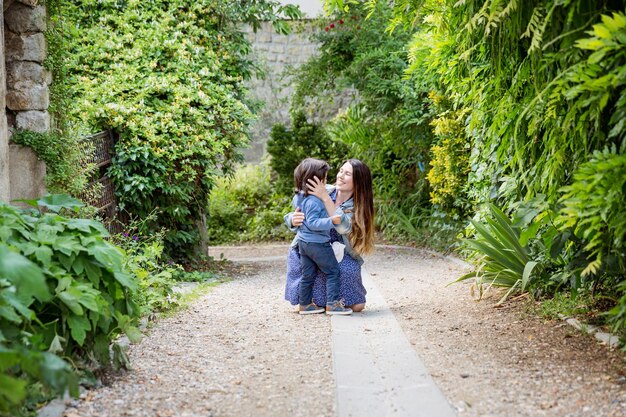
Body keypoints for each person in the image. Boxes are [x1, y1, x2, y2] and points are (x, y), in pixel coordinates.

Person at [285, 158, 375, 313]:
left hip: (339, 250)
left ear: (358, 181)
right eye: (341, 171)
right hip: (312, 245)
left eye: (347, 174)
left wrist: (325, 198)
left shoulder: (357, 206)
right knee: (312, 270)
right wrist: (292, 219)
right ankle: (319, 302)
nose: (340, 176)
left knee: (357, 305)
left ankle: (321, 300)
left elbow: (343, 229)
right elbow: (297, 206)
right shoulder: (321, 187)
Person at [292, 158, 352, 315]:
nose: (326, 182)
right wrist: (331, 221)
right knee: (333, 272)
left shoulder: (298, 196)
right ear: (316, 181)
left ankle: (304, 304)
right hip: (317, 244)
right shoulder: (314, 201)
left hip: (304, 244)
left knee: (308, 275)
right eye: (324, 179)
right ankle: (333, 304)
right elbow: (312, 223)